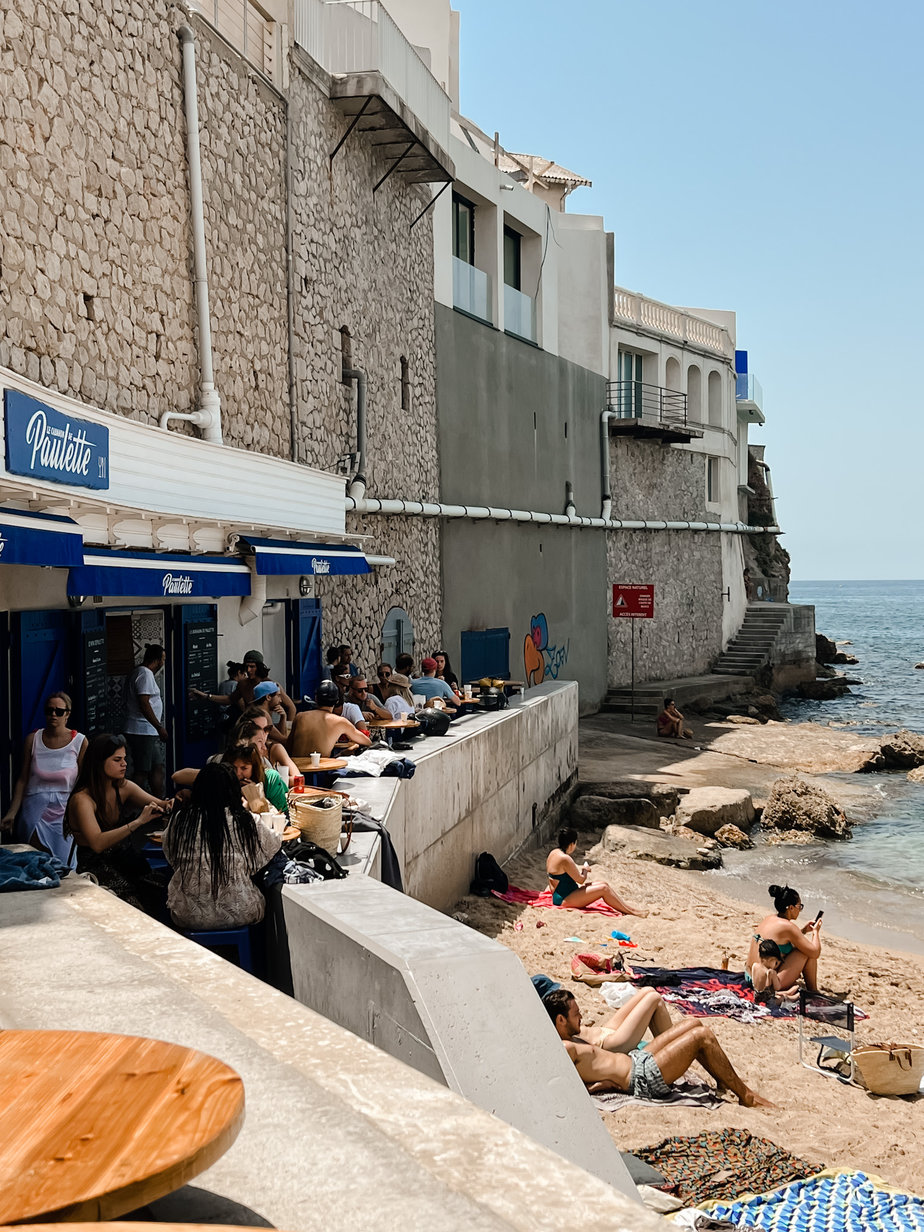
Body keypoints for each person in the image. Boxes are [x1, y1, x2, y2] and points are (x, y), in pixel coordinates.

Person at [544, 988, 772, 1107]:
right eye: (576, 1015)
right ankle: (746, 1096)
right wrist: (599, 1088)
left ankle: (723, 1079)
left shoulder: (572, 1039)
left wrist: (601, 1082)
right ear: (561, 1020)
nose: (581, 1016)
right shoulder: (565, 1049)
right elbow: (557, 1085)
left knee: (693, 1023)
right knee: (702, 1036)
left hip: (637, 1059)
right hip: (641, 1078)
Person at [162, 762, 282, 931]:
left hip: (187, 914)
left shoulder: (181, 820)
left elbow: (171, 855)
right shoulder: (245, 820)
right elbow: (271, 845)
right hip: (241, 911)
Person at [65, 733, 172, 913]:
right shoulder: (82, 799)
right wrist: (138, 822)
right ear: (99, 762)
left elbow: (160, 804)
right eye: (117, 760)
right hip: (97, 866)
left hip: (126, 860)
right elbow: (97, 843)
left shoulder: (123, 787)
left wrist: (171, 804)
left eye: (124, 759)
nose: (124, 764)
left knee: (163, 892)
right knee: (131, 905)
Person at [2, 692, 87, 867]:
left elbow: (84, 783)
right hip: (35, 809)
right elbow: (22, 780)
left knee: (65, 865)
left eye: (59, 711)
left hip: (64, 812)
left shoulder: (80, 742)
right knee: (35, 863)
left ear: (68, 714)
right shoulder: (33, 740)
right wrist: (12, 812)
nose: (53, 715)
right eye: (49, 711)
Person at [531, 976, 690, 1054]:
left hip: (605, 1030)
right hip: (610, 1044)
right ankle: (675, 1051)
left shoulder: (555, 1019)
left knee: (648, 991)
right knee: (654, 999)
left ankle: (672, 1047)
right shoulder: (552, 1028)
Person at [547, 827, 648, 916]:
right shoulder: (565, 858)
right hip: (565, 898)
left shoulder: (554, 853)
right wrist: (585, 870)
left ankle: (629, 909)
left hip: (562, 894)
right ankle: (630, 912)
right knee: (603, 889)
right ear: (572, 844)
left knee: (603, 884)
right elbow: (581, 880)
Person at [748, 884, 822, 992]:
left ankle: (812, 990)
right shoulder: (788, 927)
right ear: (791, 908)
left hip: (750, 976)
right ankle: (813, 991)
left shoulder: (770, 918)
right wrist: (816, 932)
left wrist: (804, 931)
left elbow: (782, 942)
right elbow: (815, 952)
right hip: (763, 984)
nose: (800, 910)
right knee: (806, 952)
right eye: (799, 907)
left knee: (803, 948)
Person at [124, 643, 168, 794]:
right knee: (142, 771)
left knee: (157, 767)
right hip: (142, 730)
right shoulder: (145, 674)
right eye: (163, 659)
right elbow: (144, 703)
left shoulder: (141, 673)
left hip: (148, 731)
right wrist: (159, 727)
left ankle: (158, 802)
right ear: (157, 660)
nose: (163, 663)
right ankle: (128, 808)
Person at [287, 680, 372, 758]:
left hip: (297, 769)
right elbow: (367, 742)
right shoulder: (340, 721)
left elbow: (289, 746)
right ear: (337, 701)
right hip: (320, 769)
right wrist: (345, 752)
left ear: (316, 699)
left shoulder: (300, 716)